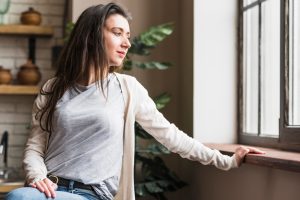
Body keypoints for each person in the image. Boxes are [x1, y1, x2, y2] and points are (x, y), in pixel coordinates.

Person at [5, 3, 264, 200]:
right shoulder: (53, 88)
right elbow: (35, 146)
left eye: (127, 35)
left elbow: (171, 137)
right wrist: (38, 177)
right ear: (93, 35)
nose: (127, 43)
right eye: (118, 33)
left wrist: (227, 160)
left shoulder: (126, 89)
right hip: (49, 189)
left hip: (91, 194)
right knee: (20, 196)